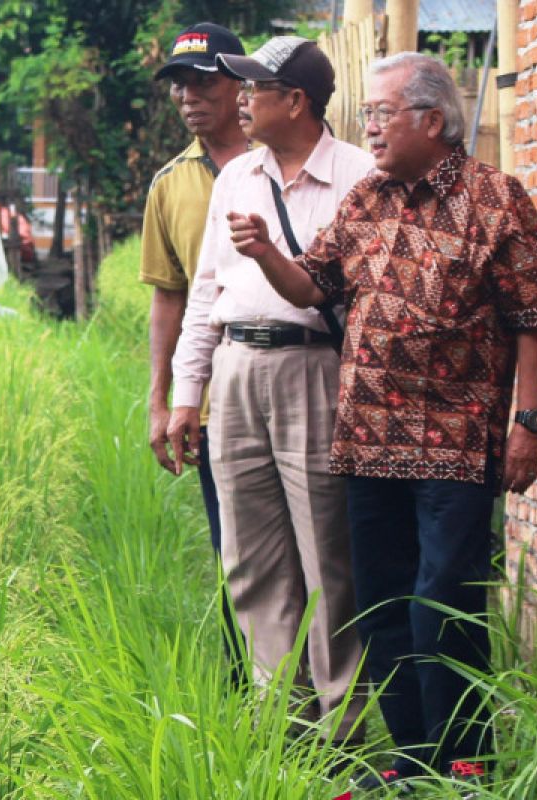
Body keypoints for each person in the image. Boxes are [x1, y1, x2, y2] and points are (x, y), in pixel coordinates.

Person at [231, 51, 537, 789]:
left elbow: (532, 319)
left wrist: (528, 426)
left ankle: (468, 758)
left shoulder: (496, 199)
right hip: (366, 442)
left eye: (383, 113)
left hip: (457, 444)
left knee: (441, 607)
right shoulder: (365, 200)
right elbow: (308, 284)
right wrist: (263, 254)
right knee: (383, 608)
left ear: (433, 119)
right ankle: (413, 760)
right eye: (369, 115)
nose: (370, 128)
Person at [167, 36, 373, 744]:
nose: (244, 102)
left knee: (328, 554)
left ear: (298, 102)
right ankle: (280, 727)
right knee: (251, 561)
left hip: (314, 370)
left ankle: (343, 731)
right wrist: (186, 391)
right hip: (235, 370)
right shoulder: (237, 178)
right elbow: (205, 293)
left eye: (257, 90)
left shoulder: (358, 176)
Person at [141, 22, 250, 689]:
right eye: (180, 84)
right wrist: (160, 400)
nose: (190, 96)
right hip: (211, 400)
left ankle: (331, 698)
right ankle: (251, 691)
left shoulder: (280, 162)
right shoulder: (171, 184)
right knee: (232, 548)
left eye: (204, 81)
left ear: (239, 83)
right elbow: (168, 301)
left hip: (291, 377)